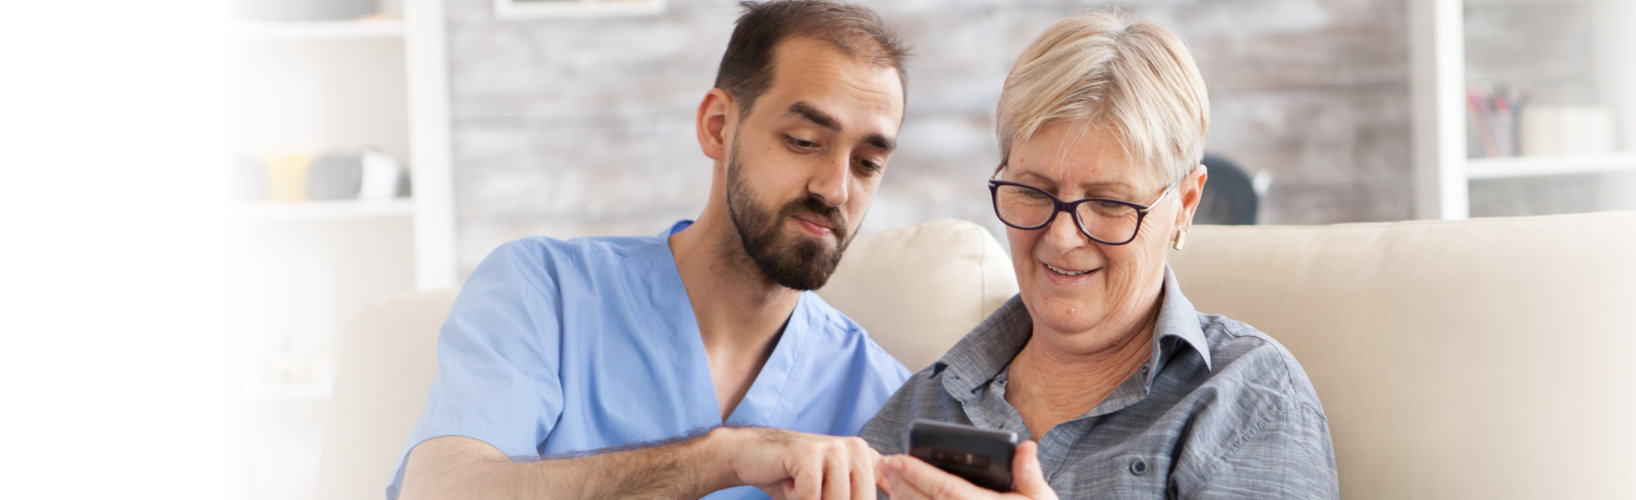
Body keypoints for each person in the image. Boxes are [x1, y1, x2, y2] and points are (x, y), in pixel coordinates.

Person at [390, 1, 913, 499]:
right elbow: (440, 492)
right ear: (718, 127)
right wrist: (723, 457)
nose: (835, 189)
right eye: (803, 140)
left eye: (867, 163)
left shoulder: (884, 396)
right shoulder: (542, 292)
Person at [863, 9, 1339, 499]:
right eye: (1032, 192)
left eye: (1110, 202)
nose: (1063, 237)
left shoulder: (1247, 397)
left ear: (1185, 205)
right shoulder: (924, 405)